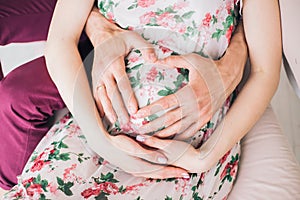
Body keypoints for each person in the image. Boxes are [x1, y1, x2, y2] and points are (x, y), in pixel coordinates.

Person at [2, 0, 282, 199]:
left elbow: (265, 71)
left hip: (185, 152)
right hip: (98, 132)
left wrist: (203, 159)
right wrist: (100, 139)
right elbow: (61, 40)